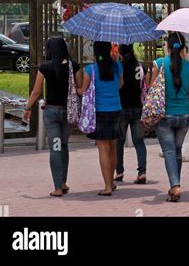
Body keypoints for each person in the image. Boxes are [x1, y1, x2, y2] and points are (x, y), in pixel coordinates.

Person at [24, 37, 81, 197]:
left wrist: (28, 107)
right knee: (63, 145)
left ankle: (57, 187)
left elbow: (36, 91)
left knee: (55, 147)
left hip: (51, 113)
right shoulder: (73, 66)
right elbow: (79, 88)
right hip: (68, 113)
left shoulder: (45, 67)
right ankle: (63, 182)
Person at [150, 33, 189, 202]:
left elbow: (153, 90)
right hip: (184, 114)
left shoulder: (159, 64)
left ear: (167, 47)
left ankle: (175, 186)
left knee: (169, 151)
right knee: (177, 151)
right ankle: (175, 184)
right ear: (183, 48)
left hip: (164, 115)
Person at [79, 41, 123, 196]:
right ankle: (111, 182)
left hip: (100, 111)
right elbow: (120, 85)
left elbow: (83, 91)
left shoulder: (89, 70)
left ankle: (107, 186)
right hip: (116, 109)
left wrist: (75, 88)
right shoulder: (117, 66)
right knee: (113, 146)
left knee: (103, 148)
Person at [115, 44, 148, 184]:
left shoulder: (119, 66)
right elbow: (144, 85)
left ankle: (119, 172)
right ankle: (142, 172)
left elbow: (118, 85)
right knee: (139, 141)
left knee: (119, 142)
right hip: (137, 107)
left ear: (121, 53)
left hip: (122, 107)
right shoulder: (140, 66)